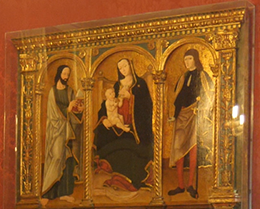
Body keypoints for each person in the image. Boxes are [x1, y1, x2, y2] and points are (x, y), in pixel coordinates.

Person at [92, 57, 154, 191]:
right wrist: (104, 119)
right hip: (117, 124)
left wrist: (131, 97)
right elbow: (106, 105)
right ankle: (115, 173)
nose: (123, 70)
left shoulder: (140, 84)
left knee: (129, 145)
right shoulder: (117, 85)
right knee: (102, 131)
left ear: (131, 66)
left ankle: (131, 180)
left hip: (135, 127)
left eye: (125, 66)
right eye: (120, 68)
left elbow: (147, 106)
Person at [166, 48, 214, 199]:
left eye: (190, 59)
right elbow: (177, 97)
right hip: (181, 115)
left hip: (194, 115)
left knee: (193, 149)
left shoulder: (202, 75)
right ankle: (181, 185)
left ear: (195, 59)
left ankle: (191, 184)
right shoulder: (183, 77)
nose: (187, 62)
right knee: (178, 149)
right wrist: (174, 115)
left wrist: (203, 109)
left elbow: (210, 95)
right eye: (185, 59)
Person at [41, 65, 84, 200]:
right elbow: (52, 114)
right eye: (64, 74)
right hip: (56, 130)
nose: (66, 77)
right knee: (57, 156)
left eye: (68, 74)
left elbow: (75, 111)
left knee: (68, 158)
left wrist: (79, 109)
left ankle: (64, 193)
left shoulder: (70, 91)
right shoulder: (52, 92)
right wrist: (67, 110)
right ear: (59, 74)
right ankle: (48, 191)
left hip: (68, 130)